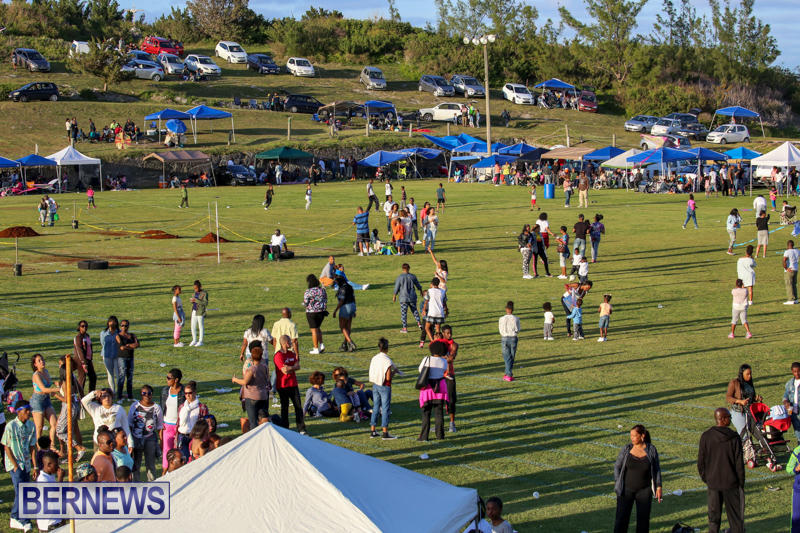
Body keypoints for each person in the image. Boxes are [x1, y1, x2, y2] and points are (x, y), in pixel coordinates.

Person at [697, 408, 745, 533]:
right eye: (729, 417)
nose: (731, 419)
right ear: (722, 419)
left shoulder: (706, 436)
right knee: (736, 519)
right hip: (731, 483)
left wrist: (707, 479)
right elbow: (739, 464)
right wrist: (741, 484)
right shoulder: (734, 437)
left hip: (713, 484)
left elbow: (701, 462)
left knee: (713, 519)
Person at [613, 425, 662, 533]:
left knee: (643, 522)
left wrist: (659, 486)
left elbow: (657, 469)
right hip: (626, 490)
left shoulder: (651, 450)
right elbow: (617, 466)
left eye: (634, 436)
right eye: (631, 435)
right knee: (621, 520)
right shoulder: (627, 449)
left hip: (644, 491)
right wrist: (618, 482)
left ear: (642, 436)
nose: (632, 438)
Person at [3, 400, 36, 532]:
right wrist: (15, 465)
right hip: (15, 464)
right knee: (21, 492)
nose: (29, 412)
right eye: (26, 410)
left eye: (29, 410)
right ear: (19, 412)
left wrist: (35, 466)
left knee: (24, 491)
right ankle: (24, 520)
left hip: (26, 463)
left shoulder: (31, 426)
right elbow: (7, 447)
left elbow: (32, 447)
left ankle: (15, 517)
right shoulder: (10, 426)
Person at [726, 363, 760, 466]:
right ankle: (748, 457)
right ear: (742, 374)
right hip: (737, 412)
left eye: (750, 374)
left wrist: (756, 399)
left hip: (749, 412)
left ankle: (747, 454)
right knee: (744, 434)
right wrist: (739, 401)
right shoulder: (734, 382)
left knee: (755, 431)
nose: (750, 376)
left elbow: (750, 397)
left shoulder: (749, 383)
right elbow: (728, 397)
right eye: (747, 374)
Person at [128, 384, 163, 482]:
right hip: (136, 438)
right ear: (141, 394)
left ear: (152, 394)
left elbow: (160, 426)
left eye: (149, 393)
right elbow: (129, 424)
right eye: (144, 393)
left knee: (150, 464)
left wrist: (161, 441)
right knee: (136, 464)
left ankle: (152, 483)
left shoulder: (156, 408)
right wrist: (129, 441)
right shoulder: (134, 406)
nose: (147, 395)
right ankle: (136, 485)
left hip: (150, 438)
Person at [273, 335, 306, 434]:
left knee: (298, 407)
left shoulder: (291, 353)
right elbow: (284, 370)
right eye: (290, 342)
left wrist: (290, 368)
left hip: (293, 384)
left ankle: (302, 429)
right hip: (283, 386)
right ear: (285, 343)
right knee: (285, 407)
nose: (291, 343)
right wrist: (292, 368)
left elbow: (298, 366)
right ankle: (285, 428)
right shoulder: (278, 356)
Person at [368, 338, 400, 439]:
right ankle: (385, 432)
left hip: (375, 385)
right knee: (385, 409)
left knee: (376, 407)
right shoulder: (387, 360)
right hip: (385, 386)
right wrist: (395, 372)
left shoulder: (375, 358)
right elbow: (388, 378)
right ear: (387, 348)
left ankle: (373, 430)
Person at [232, 346, 270, 431]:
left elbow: (245, 382)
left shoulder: (252, 369)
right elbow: (268, 380)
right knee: (264, 419)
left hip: (252, 397)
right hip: (263, 396)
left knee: (253, 422)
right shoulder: (264, 367)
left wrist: (235, 379)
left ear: (252, 356)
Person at [417, 341, 449, 441]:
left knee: (426, 413)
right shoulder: (444, 361)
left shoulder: (427, 359)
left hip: (428, 389)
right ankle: (440, 435)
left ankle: (424, 436)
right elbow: (444, 371)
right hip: (440, 388)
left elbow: (420, 370)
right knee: (439, 413)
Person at [30, 354, 58, 446]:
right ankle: (39, 449)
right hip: (37, 401)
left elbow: (49, 384)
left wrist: (56, 383)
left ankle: (52, 446)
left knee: (55, 424)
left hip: (47, 400)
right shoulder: (36, 375)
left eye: (42, 359)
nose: (42, 361)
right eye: (39, 361)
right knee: (39, 427)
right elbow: (43, 389)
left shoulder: (46, 371)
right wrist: (58, 389)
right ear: (35, 364)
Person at [160, 368, 184, 471]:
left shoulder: (183, 392)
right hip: (167, 425)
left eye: (169, 378)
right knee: (167, 450)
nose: (167, 380)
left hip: (179, 426)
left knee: (179, 451)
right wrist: (161, 425)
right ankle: (165, 472)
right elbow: (162, 408)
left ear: (176, 380)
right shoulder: (165, 391)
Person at [176, 381, 206, 459]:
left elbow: (204, 425)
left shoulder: (201, 407)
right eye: (186, 393)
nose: (188, 395)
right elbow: (178, 423)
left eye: (190, 393)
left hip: (195, 437)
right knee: (183, 459)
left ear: (195, 393)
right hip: (182, 436)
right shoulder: (182, 407)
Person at [394, 263, 423, 333]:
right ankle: (419, 323)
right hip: (412, 297)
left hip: (403, 298)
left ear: (402, 269)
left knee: (404, 313)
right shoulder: (413, 276)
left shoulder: (400, 277)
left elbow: (397, 287)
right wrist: (421, 291)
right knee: (414, 310)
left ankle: (405, 328)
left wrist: (394, 295)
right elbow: (418, 285)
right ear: (409, 268)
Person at [116, 319, 139, 401]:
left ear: (128, 326)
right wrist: (130, 345)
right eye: (122, 325)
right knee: (122, 377)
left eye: (125, 325)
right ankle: (119, 397)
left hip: (130, 357)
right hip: (122, 357)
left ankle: (130, 396)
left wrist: (128, 345)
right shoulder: (118, 336)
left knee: (130, 377)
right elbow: (122, 347)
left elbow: (137, 344)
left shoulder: (132, 335)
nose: (124, 327)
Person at [303, 274, 327, 354]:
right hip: (321, 312)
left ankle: (316, 348)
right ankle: (321, 344)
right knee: (318, 328)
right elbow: (325, 300)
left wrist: (304, 304)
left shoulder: (308, 291)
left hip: (311, 313)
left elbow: (306, 303)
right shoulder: (322, 290)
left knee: (314, 331)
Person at [332, 275, 357, 352]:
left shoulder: (342, 288)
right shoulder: (350, 287)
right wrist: (354, 310)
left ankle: (351, 343)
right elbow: (354, 298)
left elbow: (341, 301)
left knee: (342, 327)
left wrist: (335, 310)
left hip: (345, 307)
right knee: (348, 327)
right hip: (352, 305)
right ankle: (345, 345)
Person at [498, 301, 520, 382]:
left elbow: (500, 329)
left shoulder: (501, 319)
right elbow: (518, 329)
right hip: (513, 338)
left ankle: (508, 374)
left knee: (507, 357)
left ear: (506, 309)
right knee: (511, 356)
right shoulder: (516, 318)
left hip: (504, 338)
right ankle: (508, 373)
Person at [73, 319, 96, 393]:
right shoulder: (78, 337)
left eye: (86, 326)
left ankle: (91, 395)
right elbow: (79, 350)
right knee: (82, 379)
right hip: (81, 361)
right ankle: (80, 397)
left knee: (93, 377)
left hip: (88, 360)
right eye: (82, 326)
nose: (84, 327)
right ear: (79, 327)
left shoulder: (87, 336)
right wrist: (83, 362)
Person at [100, 315, 120, 394]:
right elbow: (102, 343)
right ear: (108, 323)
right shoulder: (103, 333)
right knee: (110, 374)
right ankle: (112, 391)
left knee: (118, 374)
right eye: (111, 322)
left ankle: (119, 391)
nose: (112, 324)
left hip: (117, 356)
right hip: (107, 356)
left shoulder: (119, 333)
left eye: (114, 322)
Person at [423, 278, 447, 343]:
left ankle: (433, 342)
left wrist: (424, 310)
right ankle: (439, 342)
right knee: (438, 330)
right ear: (438, 284)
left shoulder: (429, 291)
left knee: (427, 328)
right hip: (440, 313)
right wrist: (446, 311)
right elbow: (444, 302)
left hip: (432, 313)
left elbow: (426, 301)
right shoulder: (443, 291)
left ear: (432, 283)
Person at [189, 280, 208, 346]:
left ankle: (200, 341)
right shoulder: (194, 293)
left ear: (200, 287)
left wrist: (196, 300)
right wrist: (192, 301)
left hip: (200, 311)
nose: (195, 290)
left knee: (200, 326)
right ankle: (194, 340)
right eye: (194, 288)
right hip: (194, 311)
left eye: (196, 288)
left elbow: (205, 303)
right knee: (193, 326)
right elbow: (194, 301)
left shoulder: (204, 293)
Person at [785, 240, 800, 305]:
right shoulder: (797, 251)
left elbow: (784, 260)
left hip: (789, 269)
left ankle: (790, 299)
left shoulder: (787, 252)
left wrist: (786, 268)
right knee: (794, 284)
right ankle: (796, 299)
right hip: (795, 269)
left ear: (788, 245)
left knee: (789, 284)